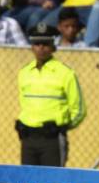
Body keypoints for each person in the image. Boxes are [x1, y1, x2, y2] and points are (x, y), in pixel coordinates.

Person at [16, 23, 86, 166]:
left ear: (53, 46)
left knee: (53, 181)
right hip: (28, 138)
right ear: (32, 47)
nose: (41, 47)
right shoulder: (24, 73)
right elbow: (24, 104)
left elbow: (79, 110)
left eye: (46, 43)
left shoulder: (66, 73)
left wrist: (63, 127)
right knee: (28, 182)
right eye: (37, 43)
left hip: (52, 139)